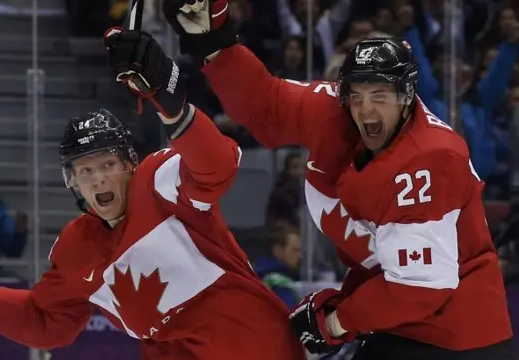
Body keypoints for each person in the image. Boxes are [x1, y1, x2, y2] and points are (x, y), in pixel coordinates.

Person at [0, 27, 306, 360]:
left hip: (258, 347)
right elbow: (48, 322)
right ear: (72, 182)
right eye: (85, 171)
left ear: (129, 164)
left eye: (107, 164)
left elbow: (218, 164)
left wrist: (169, 102)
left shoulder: (158, 181)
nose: (99, 179)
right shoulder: (77, 247)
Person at [161, 0, 517, 359]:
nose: (365, 110)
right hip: (394, 322)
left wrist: (335, 321)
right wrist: (213, 43)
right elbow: (262, 102)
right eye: (357, 95)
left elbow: (418, 288)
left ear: (407, 96)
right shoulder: (332, 110)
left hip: (456, 338)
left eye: (380, 96)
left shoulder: (429, 160)